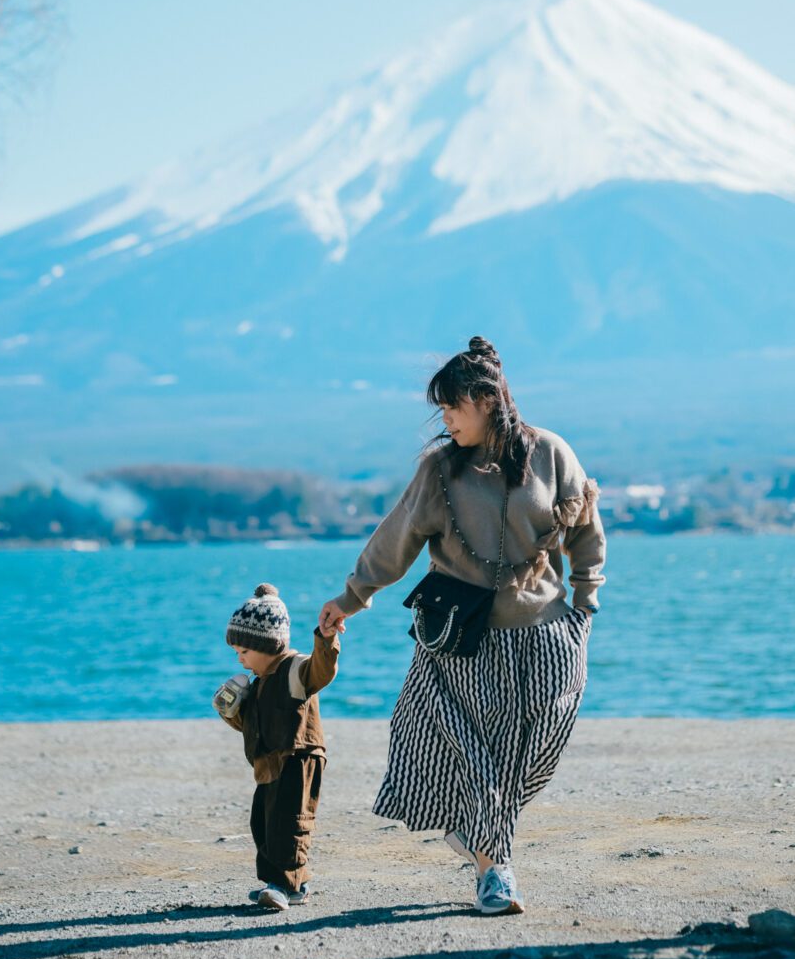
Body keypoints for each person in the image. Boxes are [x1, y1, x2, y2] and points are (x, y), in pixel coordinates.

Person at [318, 336, 606, 916]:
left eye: (452, 406)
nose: (445, 418)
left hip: (549, 635)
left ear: (485, 399)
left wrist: (586, 605)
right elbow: (395, 541)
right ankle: (494, 871)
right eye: (442, 408)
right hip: (462, 645)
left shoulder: (551, 453)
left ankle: (478, 831)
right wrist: (351, 598)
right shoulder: (439, 471)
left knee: (538, 750)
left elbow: (586, 531)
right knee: (483, 758)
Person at [214, 581, 339, 911]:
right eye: (237, 653)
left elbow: (321, 671)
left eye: (244, 652)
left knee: (290, 822)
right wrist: (232, 711)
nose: (240, 660)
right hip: (268, 764)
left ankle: (283, 885)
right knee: (264, 823)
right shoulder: (258, 684)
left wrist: (326, 639)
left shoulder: (294, 669)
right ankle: (290, 883)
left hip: (298, 757)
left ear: (267, 644)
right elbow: (252, 727)